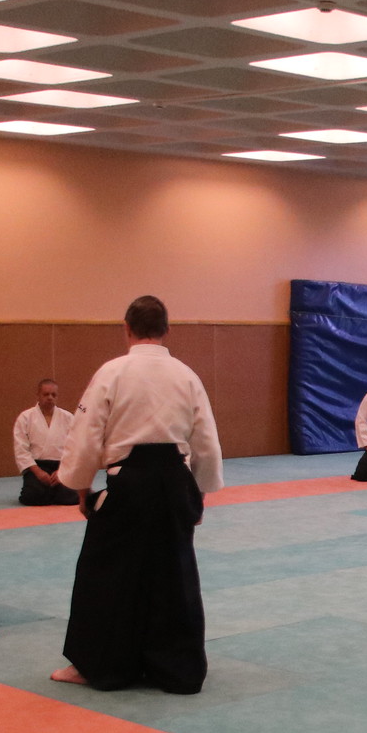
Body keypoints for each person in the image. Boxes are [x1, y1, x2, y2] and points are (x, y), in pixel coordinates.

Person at [52, 296, 224, 694]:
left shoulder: (112, 372)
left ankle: (98, 666)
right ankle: (178, 669)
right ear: (166, 330)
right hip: (175, 480)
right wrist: (199, 494)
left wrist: (81, 487)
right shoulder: (186, 376)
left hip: (128, 482)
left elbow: (86, 434)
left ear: (126, 329)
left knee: (106, 572)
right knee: (174, 574)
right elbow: (206, 440)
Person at [13, 378, 79, 505]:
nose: (50, 398)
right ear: (38, 395)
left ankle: (54, 491)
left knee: (70, 498)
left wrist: (62, 471)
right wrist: (38, 472)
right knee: (32, 497)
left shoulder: (68, 417)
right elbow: (21, 449)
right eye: (46, 394)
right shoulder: (25, 417)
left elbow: (75, 448)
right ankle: (47, 490)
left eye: (53, 395)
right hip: (37, 466)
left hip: (62, 465)